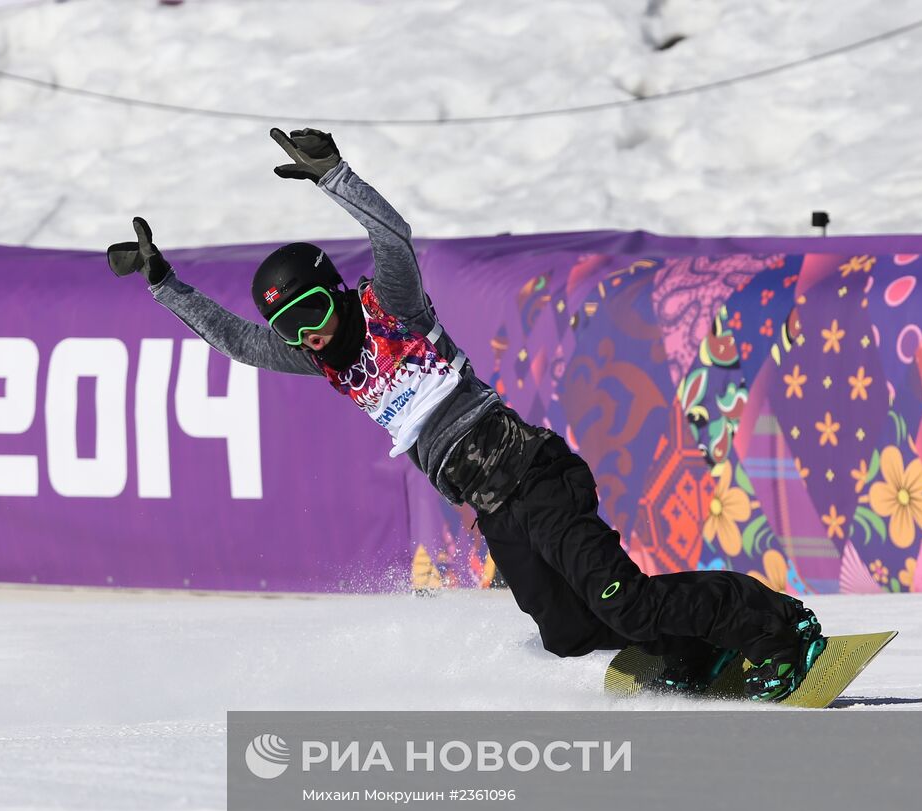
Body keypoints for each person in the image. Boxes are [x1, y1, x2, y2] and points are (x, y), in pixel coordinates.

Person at [107, 127, 826, 701]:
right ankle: (692, 649)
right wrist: (163, 283)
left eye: (315, 312)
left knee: (625, 602)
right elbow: (239, 341)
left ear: (336, 292)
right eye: (295, 329)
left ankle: (777, 627)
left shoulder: (393, 308)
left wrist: (334, 174)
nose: (312, 334)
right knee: (571, 633)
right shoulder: (325, 362)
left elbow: (394, 237)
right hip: (493, 507)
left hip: (534, 474)